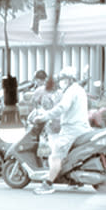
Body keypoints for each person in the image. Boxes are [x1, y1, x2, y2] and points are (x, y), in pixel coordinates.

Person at [34, 66, 90, 195]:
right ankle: (74, 180)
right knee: (70, 155)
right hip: (82, 127)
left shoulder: (70, 91)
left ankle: (48, 183)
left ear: (70, 79)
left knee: (55, 155)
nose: (61, 82)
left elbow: (61, 108)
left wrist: (44, 116)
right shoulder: (80, 90)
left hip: (71, 129)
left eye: (63, 79)